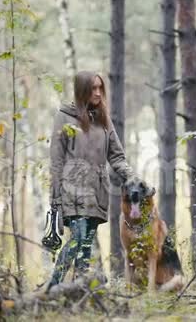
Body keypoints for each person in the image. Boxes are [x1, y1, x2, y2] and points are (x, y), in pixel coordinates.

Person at [47, 71, 135, 290]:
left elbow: (116, 155)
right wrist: (55, 198)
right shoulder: (64, 116)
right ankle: (51, 289)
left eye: (100, 88)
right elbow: (56, 160)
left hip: (97, 190)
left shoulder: (104, 119)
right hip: (72, 189)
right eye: (92, 88)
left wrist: (131, 177)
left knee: (85, 246)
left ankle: (78, 293)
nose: (97, 93)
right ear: (82, 90)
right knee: (77, 240)